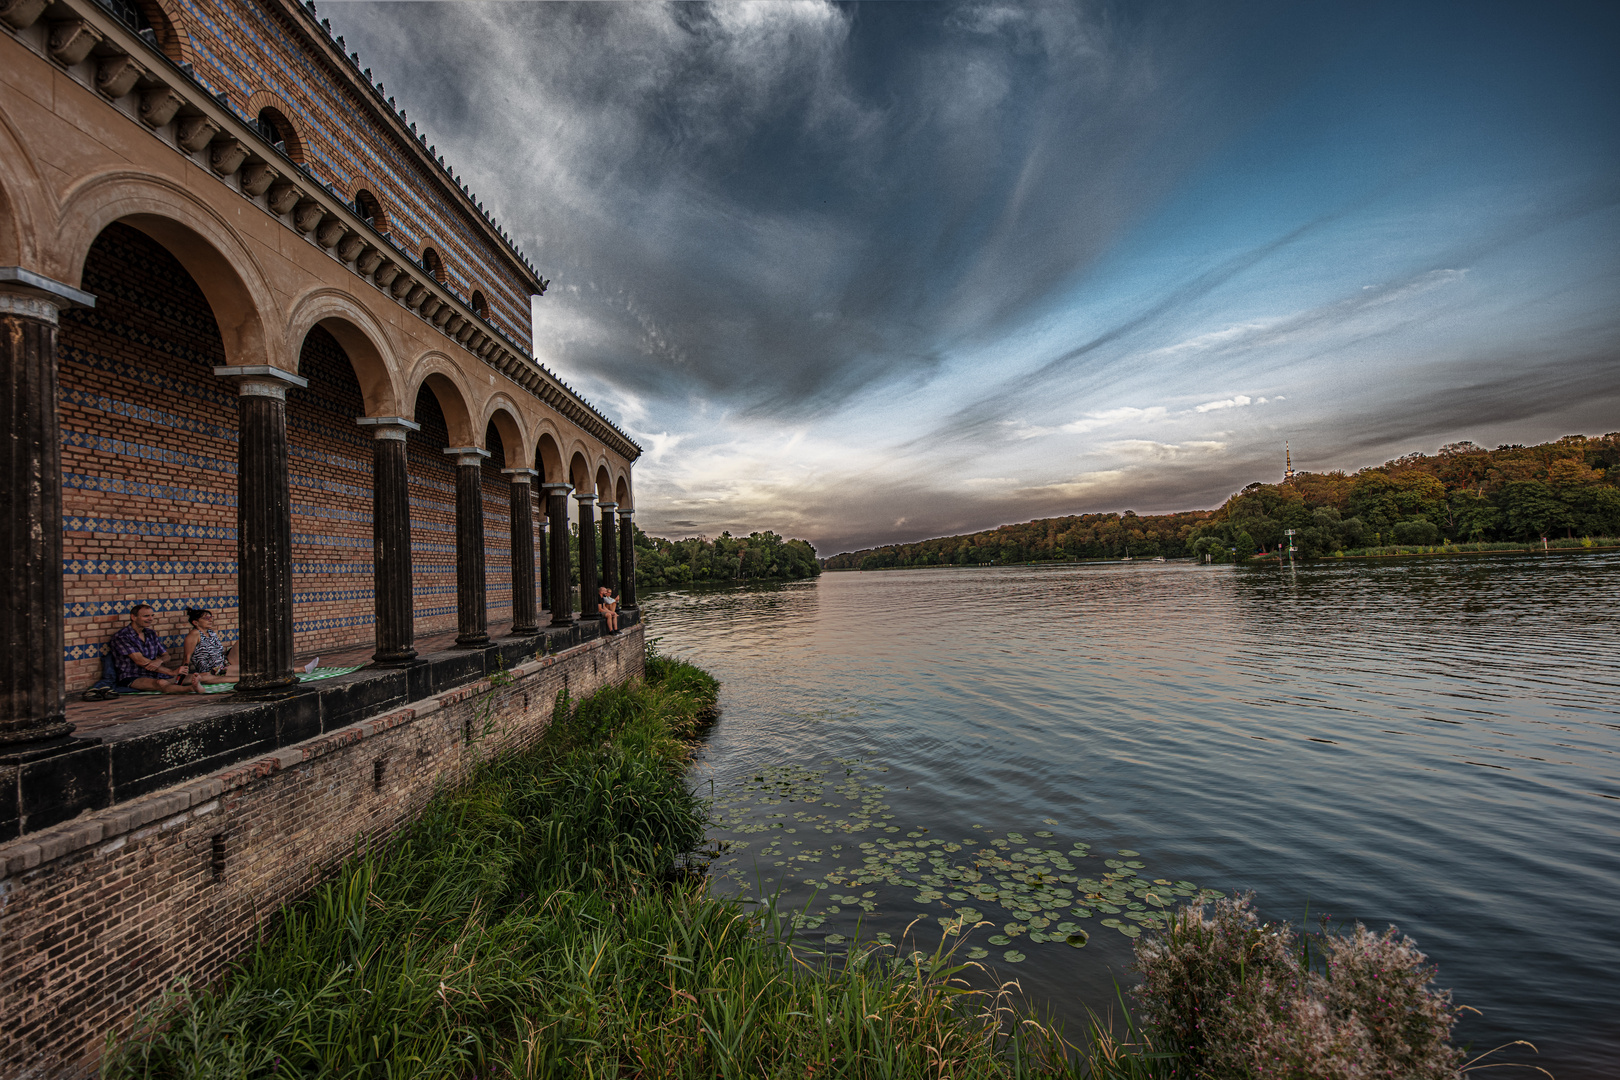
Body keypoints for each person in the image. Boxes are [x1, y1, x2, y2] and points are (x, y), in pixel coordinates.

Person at [110, 603, 199, 694]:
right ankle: (191, 689)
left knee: (197, 677)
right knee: (161, 683)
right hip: (132, 676)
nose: (151, 619)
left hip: (155, 674)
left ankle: (198, 684)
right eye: (146, 616)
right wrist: (170, 672)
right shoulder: (122, 636)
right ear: (133, 617)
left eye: (152, 616)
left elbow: (166, 656)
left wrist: (159, 661)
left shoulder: (150, 633)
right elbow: (141, 661)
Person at [181, 608, 236, 684]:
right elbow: (186, 657)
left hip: (223, 663)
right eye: (207, 618)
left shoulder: (211, 633)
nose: (210, 620)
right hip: (212, 670)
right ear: (195, 622)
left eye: (211, 617)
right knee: (247, 671)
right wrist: (182, 675)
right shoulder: (194, 634)